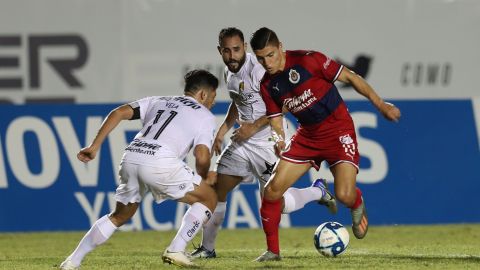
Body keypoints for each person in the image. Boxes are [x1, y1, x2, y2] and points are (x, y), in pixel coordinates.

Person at [249, 27, 402, 262]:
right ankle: (273, 252)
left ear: (280, 46)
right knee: (271, 191)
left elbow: (351, 77)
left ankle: (356, 200)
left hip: (338, 129)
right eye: (260, 58)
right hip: (307, 136)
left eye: (270, 55)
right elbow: (276, 122)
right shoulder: (267, 85)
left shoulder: (309, 60)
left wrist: (381, 105)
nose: (266, 63)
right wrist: (279, 141)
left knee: (344, 194)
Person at [191, 27, 337, 259]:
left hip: (270, 142)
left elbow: (287, 102)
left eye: (236, 50)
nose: (232, 56)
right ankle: (207, 249)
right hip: (243, 143)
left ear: (245, 48)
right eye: (227, 51)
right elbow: (238, 101)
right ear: (220, 51)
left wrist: (253, 127)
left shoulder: (259, 70)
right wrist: (223, 130)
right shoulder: (231, 73)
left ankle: (317, 191)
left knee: (278, 205)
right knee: (215, 189)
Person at [60, 69, 219, 269]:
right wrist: (205, 175)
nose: (212, 102)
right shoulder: (205, 116)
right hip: (160, 161)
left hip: (131, 156)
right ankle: (176, 249)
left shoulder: (158, 100)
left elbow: (118, 113)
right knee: (209, 198)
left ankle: (72, 261)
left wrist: (94, 146)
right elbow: (202, 155)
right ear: (203, 95)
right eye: (213, 97)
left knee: (119, 216)